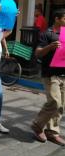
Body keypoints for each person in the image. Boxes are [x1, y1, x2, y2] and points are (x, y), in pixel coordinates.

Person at [31, 9, 65, 146]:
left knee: (61, 106)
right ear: (57, 19)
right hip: (50, 74)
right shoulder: (46, 34)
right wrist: (50, 47)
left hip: (64, 74)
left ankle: (52, 132)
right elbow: (37, 53)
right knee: (54, 102)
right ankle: (37, 126)